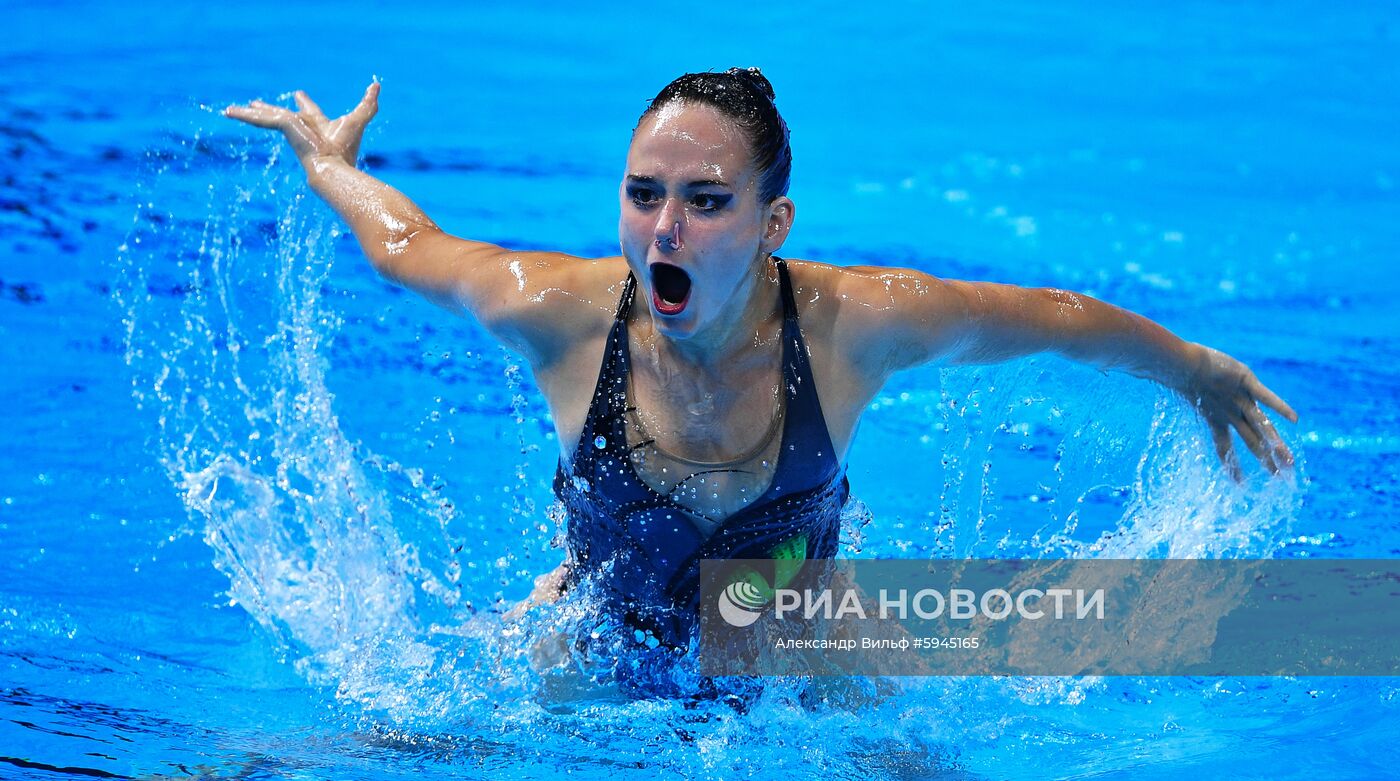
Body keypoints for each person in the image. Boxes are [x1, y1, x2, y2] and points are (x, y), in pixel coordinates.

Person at [225, 68, 1297, 660]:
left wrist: (1194, 369)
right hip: (601, 635)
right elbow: (409, 250)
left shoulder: (850, 325)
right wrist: (330, 168)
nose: (663, 233)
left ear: (771, 221)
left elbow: (1053, 319)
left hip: (796, 642)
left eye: (704, 202)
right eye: (643, 195)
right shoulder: (559, 313)